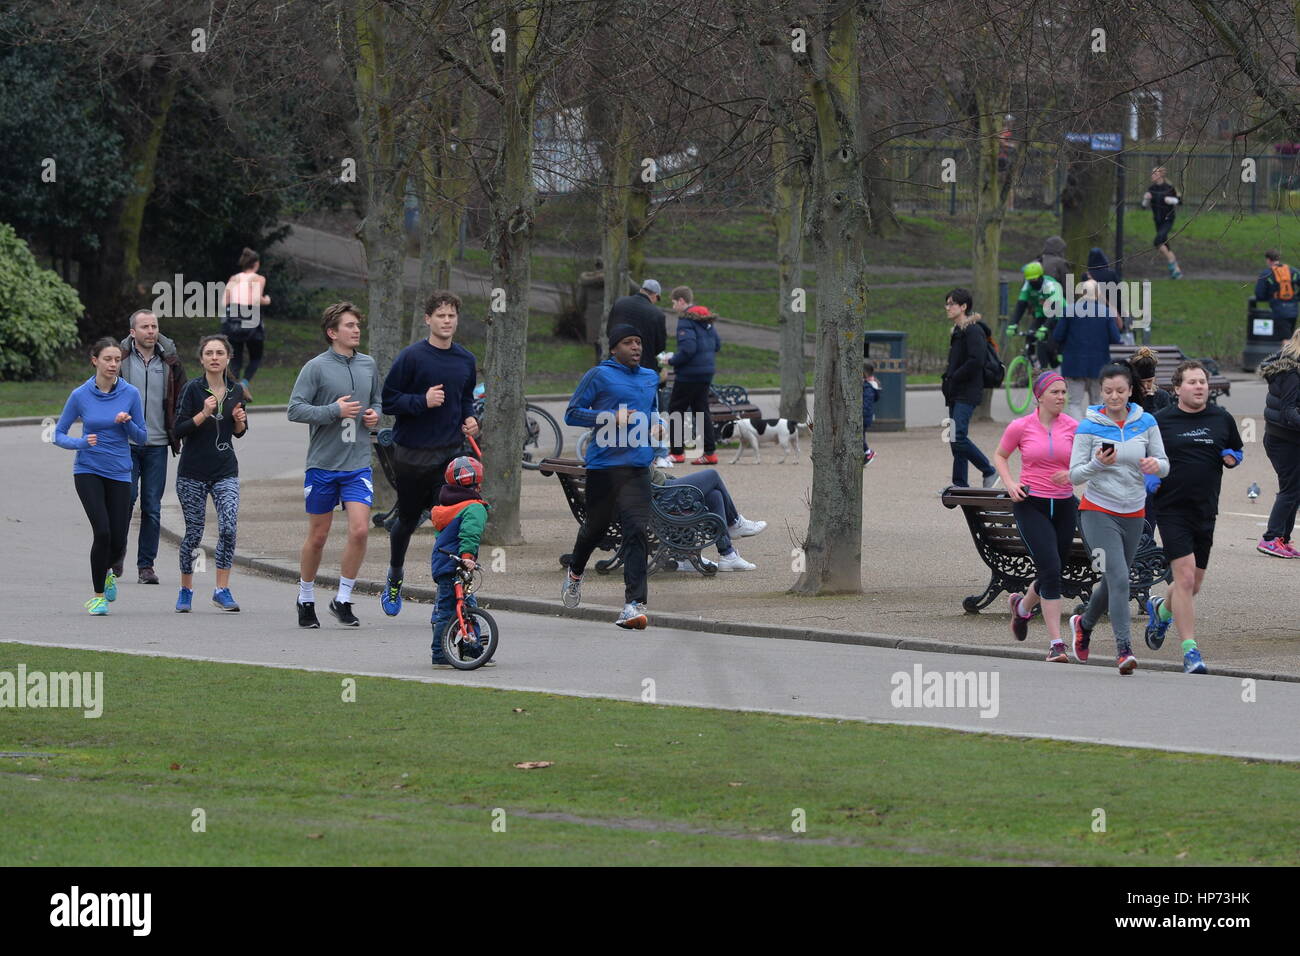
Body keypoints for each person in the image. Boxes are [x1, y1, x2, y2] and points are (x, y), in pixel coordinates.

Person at [378, 291, 480, 616]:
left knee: (449, 525)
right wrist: (422, 401)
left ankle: (449, 596)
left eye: (451, 316)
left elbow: (466, 398)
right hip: (411, 455)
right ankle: (395, 576)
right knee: (407, 521)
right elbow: (389, 400)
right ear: (428, 319)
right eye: (440, 316)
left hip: (450, 456)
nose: (447, 321)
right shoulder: (411, 358)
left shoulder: (466, 359)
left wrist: (470, 418)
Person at [1067, 362, 1169, 675]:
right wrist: (1096, 464)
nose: (1114, 396)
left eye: (1120, 391)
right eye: (1108, 391)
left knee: (1114, 582)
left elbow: (1165, 465)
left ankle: (1083, 624)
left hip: (1134, 512)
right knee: (1120, 577)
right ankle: (1124, 650)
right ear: (1101, 391)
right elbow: (1073, 475)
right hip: (1097, 511)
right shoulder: (1089, 425)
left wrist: (1155, 466)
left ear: (1130, 392)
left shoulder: (1146, 421)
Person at [561, 325, 665, 628]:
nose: (636, 347)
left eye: (639, 342)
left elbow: (653, 412)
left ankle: (634, 605)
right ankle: (576, 572)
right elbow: (572, 413)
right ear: (614, 348)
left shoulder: (649, 377)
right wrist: (608, 418)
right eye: (628, 342)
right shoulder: (599, 375)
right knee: (595, 528)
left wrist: (657, 438)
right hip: (604, 467)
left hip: (637, 467)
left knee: (636, 530)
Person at [1143, 362, 1243, 675]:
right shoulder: (1161, 422)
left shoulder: (1221, 418)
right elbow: (1144, 459)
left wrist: (1232, 458)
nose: (1199, 386)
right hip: (1172, 510)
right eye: (1192, 382)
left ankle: (1161, 609)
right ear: (1177, 389)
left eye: (1203, 382)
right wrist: (1150, 479)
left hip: (1205, 511)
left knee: (1193, 585)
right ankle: (1190, 651)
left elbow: (1237, 449)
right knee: (1183, 578)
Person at [287, 302, 383, 628]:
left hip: (357, 463)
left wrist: (374, 416)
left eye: (357, 325)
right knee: (318, 536)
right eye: (349, 325)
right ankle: (305, 597)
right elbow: (295, 410)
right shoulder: (315, 367)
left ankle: (343, 597)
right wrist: (333, 411)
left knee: (359, 530)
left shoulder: (369, 364)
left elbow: (377, 401)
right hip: (323, 465)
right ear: (332, 332)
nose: (356, 330)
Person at [53, 339, 147, 615]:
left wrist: (128, 422)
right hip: (88, 470)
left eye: (117, 359)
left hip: (120, 472)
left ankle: (108, 573)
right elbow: (58, 434)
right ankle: (97, 597)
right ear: (94, 360)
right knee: (102, 531)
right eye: (108, 359)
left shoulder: (130, 394)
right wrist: (80, 443)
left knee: (118, 539)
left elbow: (143, 437)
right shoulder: (80, 395)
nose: (113, 365)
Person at [993, 372, 1078, 663]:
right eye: (1055, 392)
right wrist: (1010, 483)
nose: (1061, 397)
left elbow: (1085, 462)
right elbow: (1000, 455)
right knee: (1052, 570)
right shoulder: (1021, 426)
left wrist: (1075, 473)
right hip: (1032, 504)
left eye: (1064, 392)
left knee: (1052, 570)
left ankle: (1021, 607)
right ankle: (1056, 643)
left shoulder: (1074, 427)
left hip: (1065, 505)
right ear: (1039, 396)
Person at [172, 335, 249, 613]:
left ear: (228, 358)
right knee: (194, 533)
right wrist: (203, 413)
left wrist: (240, 423)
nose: (214, 357)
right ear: (202, 359)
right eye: (209, 353)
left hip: (225, 470)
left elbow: (239, 431)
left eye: (220, 353)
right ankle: (186, 589)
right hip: (192, 472)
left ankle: (222, 590)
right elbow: (177, 430)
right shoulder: (193, 389)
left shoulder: (236, 390)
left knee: (228, 528)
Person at [117, 308, 186, 584]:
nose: (151, 331)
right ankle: (115, 555)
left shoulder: (169, 361)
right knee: (125, 501)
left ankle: (146, 566)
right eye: (145, 327)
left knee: (152, 507)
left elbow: (181, 398)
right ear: (133, 332)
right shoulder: (120, 360)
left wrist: (181, 429)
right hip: (126, 443)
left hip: (157, 443)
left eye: (154, 326)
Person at [429, 455, 489, 667]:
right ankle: (440, 654)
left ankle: (472, 651)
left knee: (466, 604)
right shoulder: (474, 508)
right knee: (448, 609)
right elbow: (469, 535)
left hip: (444, 562)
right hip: (456, 563)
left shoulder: (449, 506)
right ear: (478, 483)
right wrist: (467, 558)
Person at [651, 466, 766, 571]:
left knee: (715, 496)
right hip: (658, 495)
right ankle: (734, 523)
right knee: (712, 475)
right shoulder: (636, 447)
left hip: (657, 491)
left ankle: (728, 555)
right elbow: (643, 471)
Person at [941, 288, 998, 489]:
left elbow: (977, 360)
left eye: (952, 304)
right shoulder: (957, 331)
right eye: (946, 304)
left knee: (958, 436)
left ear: (963, 307)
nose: (947, 308)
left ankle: (989, 470)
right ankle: (959, 483)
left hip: (967, 391)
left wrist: (955, 377)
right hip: (955, 391)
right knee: (954, 438)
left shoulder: (973, 330)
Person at [1257, 329, 1300, 558]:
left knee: (1295, 490)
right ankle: (1270, 538)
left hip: (1288, 437)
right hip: (1283, 439)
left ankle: (1282, 538)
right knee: (1290, 490)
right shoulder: (1292, 372)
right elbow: (1288, 411)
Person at [1052, 279, 1120, 420]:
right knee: (1097, 403)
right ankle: (1095, 435)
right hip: (1099, 365)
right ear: (1097, 294)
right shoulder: (1105, 312)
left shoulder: (1070, 310)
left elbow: (1057, 335)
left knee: (1074, 403)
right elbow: (1115, 338)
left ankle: (1079, 434)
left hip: (1074, 364)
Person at [665, 304, 721, 465]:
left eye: (674, 302)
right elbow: (717, 345)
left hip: (689, 375)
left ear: (681, 301)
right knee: (702, 411)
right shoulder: (707, 320)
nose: (674, 306)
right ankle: (710, 453)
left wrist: (671, 360)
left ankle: (677, 452)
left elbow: (688, 349)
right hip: (706, 373)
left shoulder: (685, 321)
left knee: (676, 410)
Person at [223, 247, 271, 397]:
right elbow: (257, 299)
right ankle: (244, 384)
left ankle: (232, 392)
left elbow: (225, 301)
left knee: (235, 360)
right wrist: (267, 300)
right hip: (252, 324)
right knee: (256, 357)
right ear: (256, 264)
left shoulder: (233, 279)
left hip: (233, 324)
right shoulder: (259, 279)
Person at [1008, 261, 1065, 369]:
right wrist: (1013, 324)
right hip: (1042, 314)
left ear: (1040, 276)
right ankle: (1037, 369)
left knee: (1049, 346)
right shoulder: (1027, 286)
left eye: (1034, 279)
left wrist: (1045, 327)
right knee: (1030, 337)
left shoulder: (1050, 285)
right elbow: (1021, 305)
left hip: (1058, 314)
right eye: (1030, 280)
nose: (1032, 282)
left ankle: (1057, 366)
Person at [605, 278, 666, 360]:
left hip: (617, 359)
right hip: (641, 364)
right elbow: (660, 347)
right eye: (657, 299)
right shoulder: (657, 314)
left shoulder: (620, 302)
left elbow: (609, 331)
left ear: (641, 290)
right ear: (655, 295)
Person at [1142, 167, 1183, 279]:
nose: (1152, 175)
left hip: (1168, 219)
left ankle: (1171, 264)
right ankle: (1177, 272)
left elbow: (1180, 201)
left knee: (1158, 241)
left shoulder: (1169, 188)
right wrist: (1146, 199)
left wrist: (1171, 200)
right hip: (1157, 221)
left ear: (1161, 175)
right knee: (1165, 245)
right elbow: (1143, 206)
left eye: (1154, 173)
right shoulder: (1151, 189)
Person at [1254, 250, 1300, 326]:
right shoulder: (1292, 271)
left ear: (1268, 260)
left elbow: (1259, 294)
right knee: (1290, 336)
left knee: (1282, 337)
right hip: (1293, 312)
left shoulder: (1266, 274)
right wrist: (1296, 297)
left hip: (1278, 312)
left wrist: (1271, 297)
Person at [862, 360, 881, 464]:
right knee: (861, 435)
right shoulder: (868, 385)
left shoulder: (868, 387)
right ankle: (865, 453)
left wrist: (861, 413)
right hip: (865, 416)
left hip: (864, 416)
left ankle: (868, 452)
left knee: (859, 436)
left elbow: (866, 404)